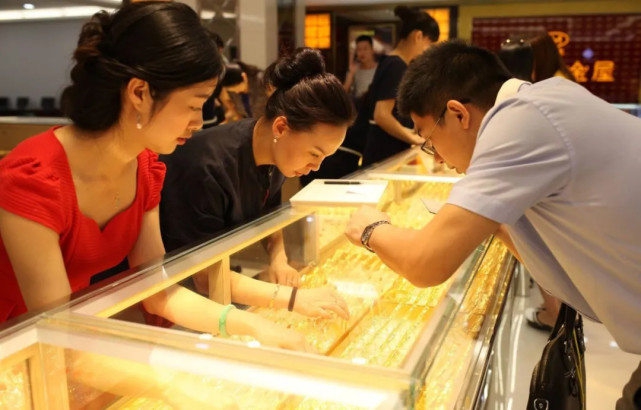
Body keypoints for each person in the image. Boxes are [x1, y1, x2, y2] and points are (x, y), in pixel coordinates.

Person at [0, 3, 346, 354]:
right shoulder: (32, 179)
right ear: (139, 93)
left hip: (83, 338)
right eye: (194, 106)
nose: (199, 122)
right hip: (18, 356)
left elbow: (159, 291)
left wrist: (253, 325)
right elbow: (60, 335)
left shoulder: (144, 168)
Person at [345, 40, 641, 409]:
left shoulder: (519, 123)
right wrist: (490, 225)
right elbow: (561, 260)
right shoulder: (546, 100)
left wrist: (371, 228)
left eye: (429, 139)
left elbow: (425, 264)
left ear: (458, 114)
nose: (437, 157)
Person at [159, 47, 354, 300]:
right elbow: (204, 276)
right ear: (281, 127)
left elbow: (269, 216)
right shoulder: (207, 168)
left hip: (217, 282)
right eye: (314, 154)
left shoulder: (276, 155)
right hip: (169, 292)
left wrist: (278, 259)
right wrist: (291, 300)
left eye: (325, 157)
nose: (316, 167)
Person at [499, 32, 576, 332]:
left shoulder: (532, 94)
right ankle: (558, 307)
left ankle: (554, 311)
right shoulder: (556, 85)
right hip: (560, 181)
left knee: (534, 241)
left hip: (545, 183)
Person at [360, 5, 439, 166]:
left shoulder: (392, 62)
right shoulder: (396, 65)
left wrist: (411, 133)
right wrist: (413, 138)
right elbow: (381, 115)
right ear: (418, 36)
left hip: (382, 149)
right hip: (383, 151)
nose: (427, 50)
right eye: (429, 44)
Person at [343, 34, 378, 109]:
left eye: (365, 49)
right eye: (359, 49)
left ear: (372, 50)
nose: (362, 52)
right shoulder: (354, 70)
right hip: (359, 108)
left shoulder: (380, 69)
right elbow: (343, 93)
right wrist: (351, 74)